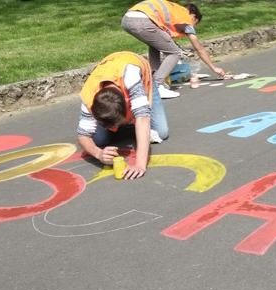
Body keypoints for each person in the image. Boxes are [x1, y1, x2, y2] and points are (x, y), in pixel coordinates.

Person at [76, 51, 168, 180]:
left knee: (161, 132)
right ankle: (130, 126)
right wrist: (99, 154)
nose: (113, 128)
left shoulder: (132, 78)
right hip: (110, 73)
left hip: (141, 75)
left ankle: (132, 125)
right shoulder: (89, 95)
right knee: (99, 141)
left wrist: (140, 165)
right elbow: (83, 135)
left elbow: (142, 119)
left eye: (116, 124)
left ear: (127, 104)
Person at [122, 1, 227, 98]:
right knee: (175, 52)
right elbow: (198, 48)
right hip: (142, 21)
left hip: (127, 19)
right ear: (194, 17)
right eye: (195, 24)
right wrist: (214, 68)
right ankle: (157, 86)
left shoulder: (175, 10)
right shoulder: (185, 18)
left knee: (155, 46)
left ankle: (154, 82)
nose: (192, 27)